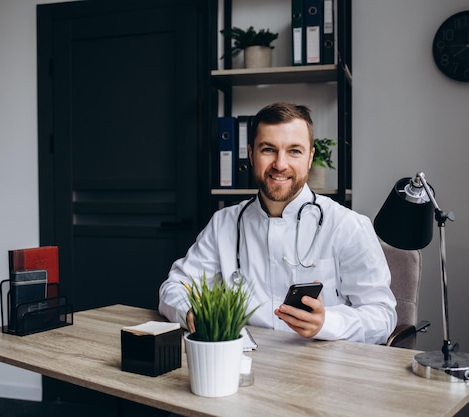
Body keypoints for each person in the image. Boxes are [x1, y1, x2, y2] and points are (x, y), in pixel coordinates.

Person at [158, 102, 396, 344]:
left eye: (294, 151)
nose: (280, 164)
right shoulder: (224, 223)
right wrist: (192, 314)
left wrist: (327, 323)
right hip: (242, 364)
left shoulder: (348, 225)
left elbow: (382, 316)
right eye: (268, 149)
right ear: (251, 154)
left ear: (310, 157)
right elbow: (175, 287)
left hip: (321, 370)